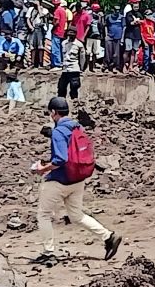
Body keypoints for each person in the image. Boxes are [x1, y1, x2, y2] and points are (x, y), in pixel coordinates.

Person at [32, 97, 123, 265]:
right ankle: (108, 236)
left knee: (44, 214)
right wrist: (52, 133)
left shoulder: (59, 132)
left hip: (60, 181)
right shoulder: (76, 127)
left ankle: (48, 252)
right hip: (78, 179)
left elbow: (60, 159)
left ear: (53, 112)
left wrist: (42, 169)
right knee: (76, 215)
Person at [58, 28, 85, 103]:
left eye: (73, 33)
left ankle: (74, 104)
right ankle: (61, 103)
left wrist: (81, 68)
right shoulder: (64, 43)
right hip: (65, 69)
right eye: (69, 32)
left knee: (74, 87)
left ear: (76, 34)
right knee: (61, 88)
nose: (71, 34)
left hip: (74, 69)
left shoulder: (79, 45)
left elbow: (82, 58)